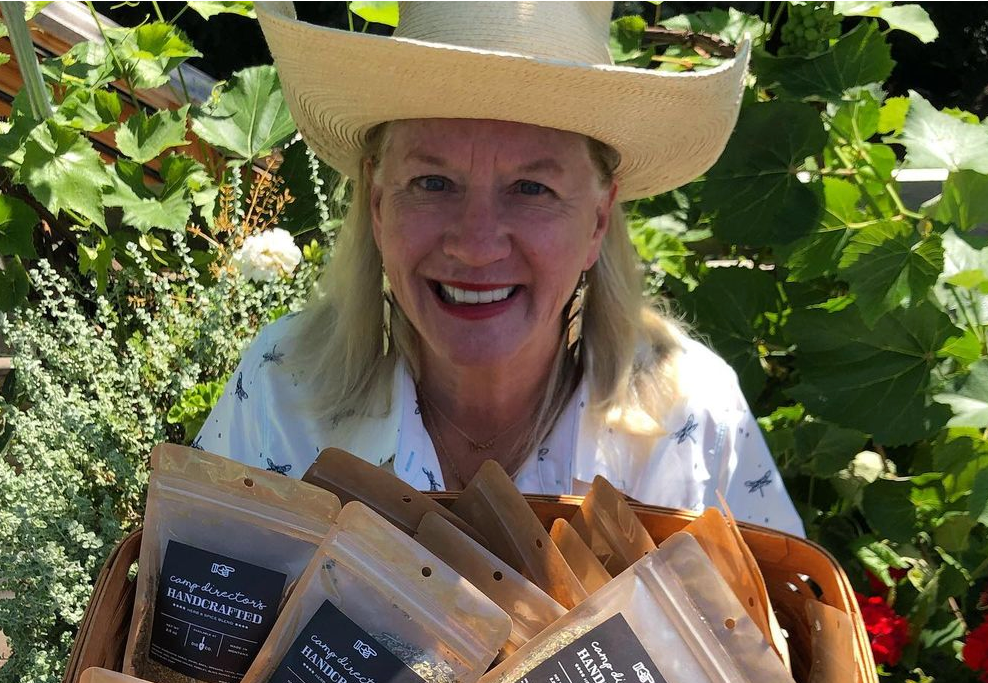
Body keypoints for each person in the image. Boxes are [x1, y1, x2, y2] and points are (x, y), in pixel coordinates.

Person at [196, 1, 804, 537]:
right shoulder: (282, 391)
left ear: (597, 220)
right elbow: (177, 636)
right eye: (432, 182)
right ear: (378, 209)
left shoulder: (692, 417)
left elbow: (778, 654)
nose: (476, 245)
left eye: (532, 188)